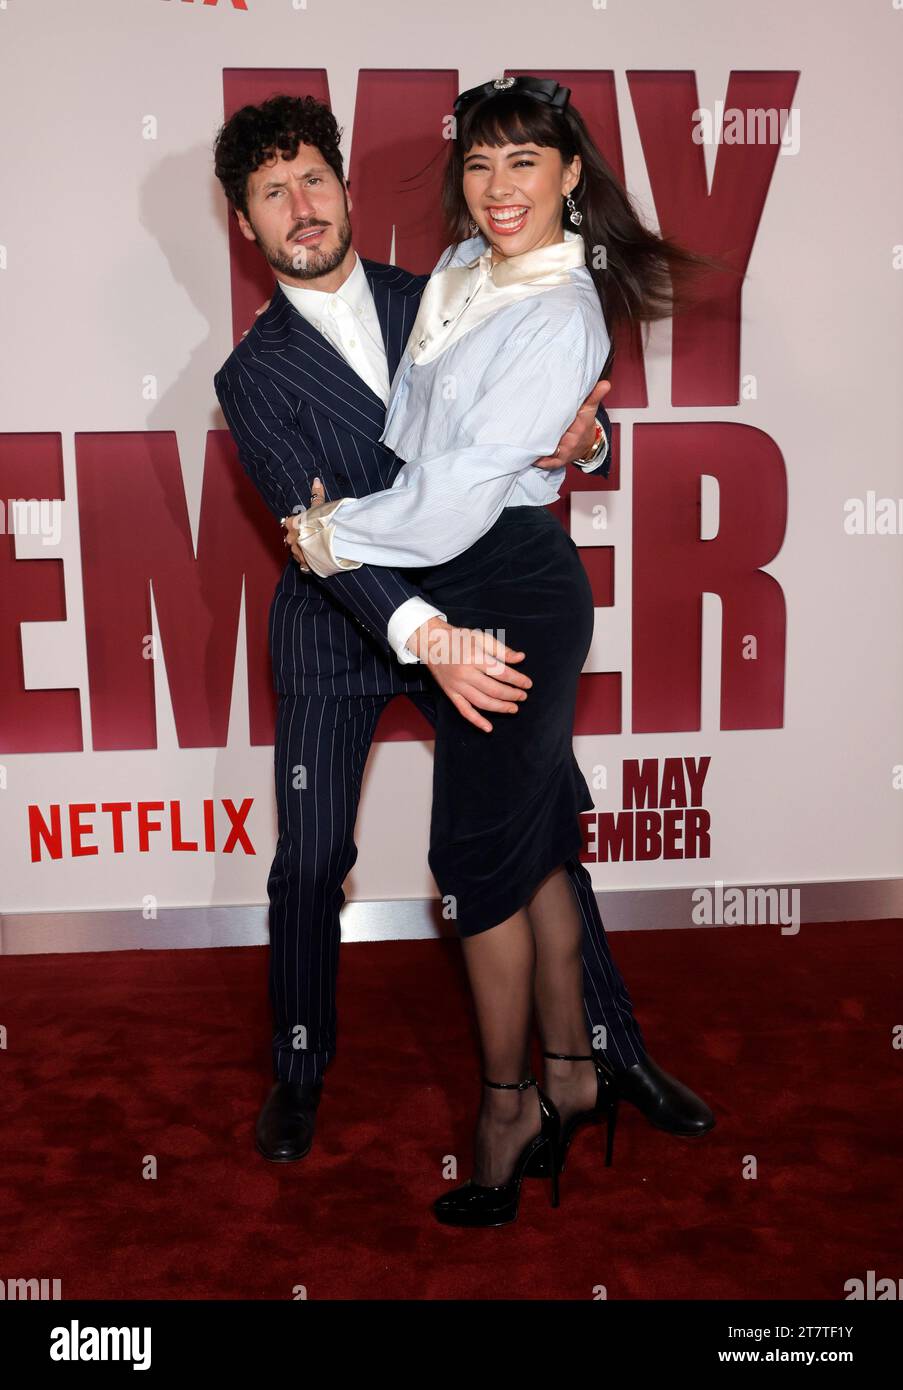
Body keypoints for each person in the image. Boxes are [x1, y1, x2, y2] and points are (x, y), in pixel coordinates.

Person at [212, 90, 713, 1189]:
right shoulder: (249, 378)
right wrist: (417, 628)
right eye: (270, 195)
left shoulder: (442, 285)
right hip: (346, 622)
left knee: (537, 832)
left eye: (312, 180)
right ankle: (300, 1067)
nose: (299, 208)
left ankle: (607, 1053)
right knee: (311, 861)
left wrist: (580, 447)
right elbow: (319, 538)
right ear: (243, 225)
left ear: (343, 187)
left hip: (478, 598)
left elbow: (523, 430)